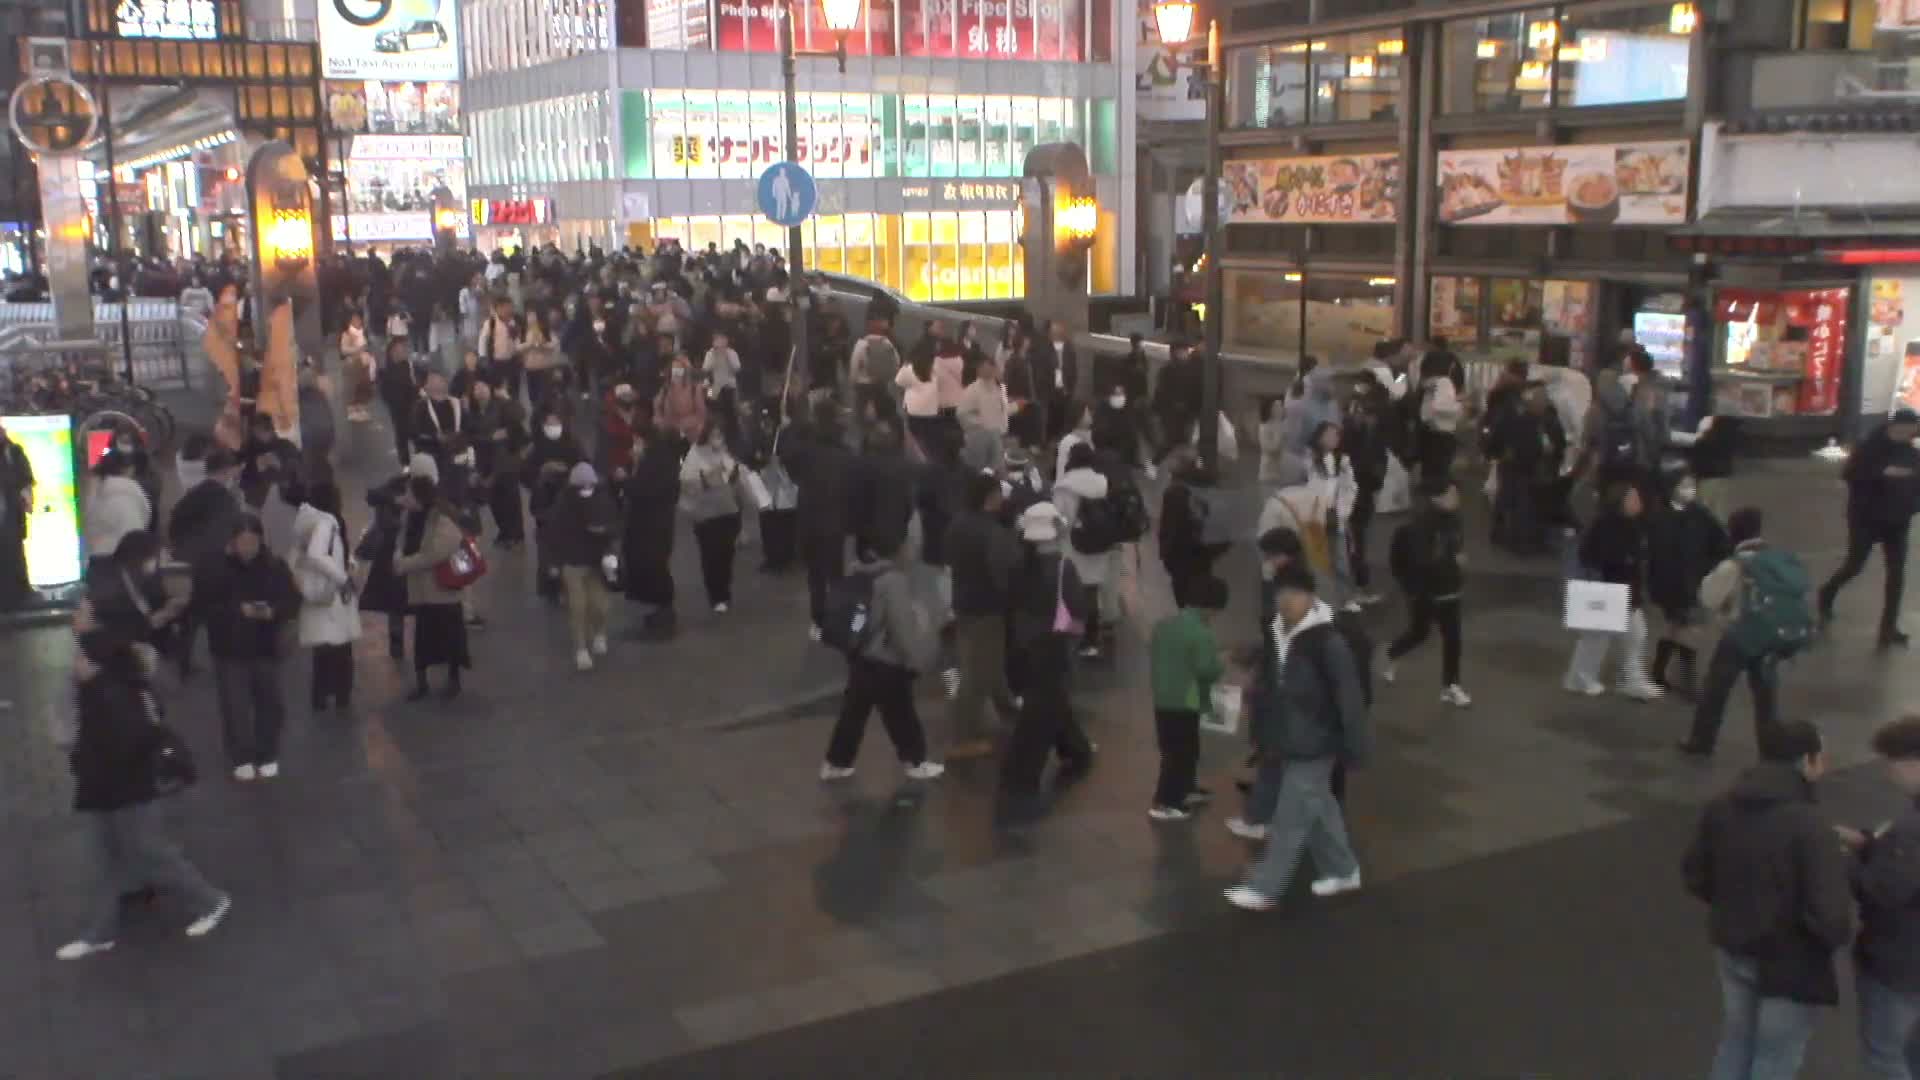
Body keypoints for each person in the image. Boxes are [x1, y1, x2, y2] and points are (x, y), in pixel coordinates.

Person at [1682, 720, 1853, 1080]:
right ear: (1807, 762)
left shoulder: (1721, 807)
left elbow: (1696, 875)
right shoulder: (1810, 826)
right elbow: (1832, 916)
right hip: (1789, 962)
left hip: (1732, 945)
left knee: (1736, 1040)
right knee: (1775, 1057)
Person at [56, 616, 231, 960]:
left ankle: (211, 900)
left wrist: (91, 762)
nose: (75, 664)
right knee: (109, 860)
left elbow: (130, 744)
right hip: (101, 789)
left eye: (82, 659)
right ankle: (100, 932)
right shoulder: (93, 693)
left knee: (151, 854)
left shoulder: (120, 696)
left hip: (128, 790)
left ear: (99, 663)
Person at [1224, 565, 1369, 911]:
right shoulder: (1277, 634)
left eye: (1295, 593)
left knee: (1289, 818)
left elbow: (1350, 698)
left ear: (1311, 595)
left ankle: (1264, 888)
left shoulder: (1329, 642)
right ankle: (1343, 869)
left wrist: (1355, 747)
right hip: (1286, 738)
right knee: (1319, 809)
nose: (1286, 601)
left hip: (1317, 741)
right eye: (1281, 593)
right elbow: (1273, 685)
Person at [819, 533, 946, 783]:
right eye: (908, 545)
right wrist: (917, 659)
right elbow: (902, 627)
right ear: (897, 551)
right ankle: (916, 762)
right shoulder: (894, 582)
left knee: (853, 714)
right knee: (902, 714)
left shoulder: (861, 575)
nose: (913, 550)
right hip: (886, 659)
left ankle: (836, 763)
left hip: (861, 655)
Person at [1680, 508, 1803, 758]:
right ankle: (1770, 748)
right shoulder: (1778, 559)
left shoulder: (1734, 565)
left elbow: (1709, 598)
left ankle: (1702, 741)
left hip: (1740, 636)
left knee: (1716, 689)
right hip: (1771, 634)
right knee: (1766, 696)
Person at [998, 503, 1095, 819]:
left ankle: (1075, 748)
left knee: (1048, 703)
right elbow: (1078, 610)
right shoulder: (1063, 567)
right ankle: (1020, 781)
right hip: (1053, 647)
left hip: (1021, 647)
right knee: (1039, 718)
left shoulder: (1016, 565)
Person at [191, 514, 298, 781]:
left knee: (270, 702)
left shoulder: (274, 566)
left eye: (253, 542)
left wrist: (272, 612)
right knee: (235, 704)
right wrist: (239, 611)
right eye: (243, 542)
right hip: (229, 648)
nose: (248, 548)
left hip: (264, 645)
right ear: (232, 541)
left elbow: (291, 601)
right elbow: (204, 606)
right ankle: (241, 755)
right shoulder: (214, 568)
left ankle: (267, 751)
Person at [1844, 715, 1920, 1080]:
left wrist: (1848, 862)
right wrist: (1872, 844)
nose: (1888, 774)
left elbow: (1882, 890)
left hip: (1899, 962)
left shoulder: (1912, 831)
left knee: (1883, 1056)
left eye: (1892, 763)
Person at [1820, 408, 1920, 649]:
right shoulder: (1871, 446)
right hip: (1866, 518)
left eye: (1912, 430)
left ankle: (1888, 628)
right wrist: (1883, 473)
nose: (1907, 434)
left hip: (1897, 520)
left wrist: (1912, 506)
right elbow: (1850, 474)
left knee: (1896, 574)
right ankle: (1827, 593)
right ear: (1893, 426)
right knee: (1855, 565)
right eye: (1903, 429)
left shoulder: (1912, 454)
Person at [944, 471, 1023, 759]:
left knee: (989, 662)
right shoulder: (992, 532)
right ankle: (961, 739)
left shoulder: (958, 523)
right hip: (987, 609)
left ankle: (1008, 710)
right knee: (976, 676)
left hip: (964, 604)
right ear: (991, 498)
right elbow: (1007, 573)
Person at [1564, 481, 1661, 700]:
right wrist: (1627, 558)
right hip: (1608, 592)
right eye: (1632, 498)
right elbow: (1593, 555)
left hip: (1625, 594)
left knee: (1634, 634)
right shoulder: (1606, 525)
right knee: (1597, 637)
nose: (1638, 502)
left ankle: (1628, 677)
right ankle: (1581, 678)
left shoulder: (1633, 525)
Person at [1148, 575, 1228, 821]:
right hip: (1186, 701)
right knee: (1180, 754)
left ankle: (1186, 788)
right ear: (1210, 607)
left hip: (1163, 699)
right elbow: (1207, 670)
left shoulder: (1163, 625)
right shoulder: (1201, 633)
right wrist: (1221, 662)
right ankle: (1165, 802)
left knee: (1181, 749)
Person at [1385, 481, 1470, 707]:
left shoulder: (1455, 521)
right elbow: (1414, 561)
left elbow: (1455, 547)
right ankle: (1393, 653)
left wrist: (1458, 559)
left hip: (1451, 590)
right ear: (1436, 498)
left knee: (1453, 638)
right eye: (1451, 493)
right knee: (1419, 633)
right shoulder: (1417, 528)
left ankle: (1451, 686)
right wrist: (1412, 589)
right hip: (1427, 592)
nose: (1457, 498)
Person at [1647, 471, 1732, 698]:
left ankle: (1662, 671)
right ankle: (1684, 679)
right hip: (1669, 584)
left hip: (1693, 582)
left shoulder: (1701, 515)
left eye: (1692, 485)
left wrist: (1707, 567)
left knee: (1683, 629)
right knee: (1683, 629)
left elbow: (1722, 542)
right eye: (1684, 485)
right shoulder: (1659, 518)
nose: (1690, 490)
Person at [391, 471, 470, 700]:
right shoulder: (411, 516)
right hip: (423, 591)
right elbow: (403, 541)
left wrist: (403, 564)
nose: (405, 496)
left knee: (450, 637)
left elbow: (434, 554)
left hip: (443, 591)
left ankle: (453, 679)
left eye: (409, 493)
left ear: (419, 496)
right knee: (424, 640)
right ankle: (422, 682)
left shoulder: (441, 519)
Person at [166, 448, 245, 677]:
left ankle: (184, 661)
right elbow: (232, 532)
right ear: (225, 471)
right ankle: (221, 662)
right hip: (216, 564)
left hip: (192, 564)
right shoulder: (226, 500)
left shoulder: (195, 493)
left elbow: (175, 523)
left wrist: (182, 548)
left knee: (191, 615)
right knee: (217, 615)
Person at [787, 399, 855, 640]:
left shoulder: (804, 451)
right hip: (835, 522)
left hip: (809, 520)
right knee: (836, 575)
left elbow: (790, 466)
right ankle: (838, 620)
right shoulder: (845, 453)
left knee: (815, 576)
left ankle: (817, 621)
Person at [293, 479, 359, 711]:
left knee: (323, 653)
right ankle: (340, 695)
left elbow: (335, 552)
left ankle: (321, 696)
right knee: (340, 651)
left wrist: (349, 563)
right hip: (331, 593)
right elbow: (319, 555)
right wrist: (344, 577)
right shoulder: (327, 523)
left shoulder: (308, 522)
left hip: (317, 593)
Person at [545, 462, 616, 671]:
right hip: (572, 562)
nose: (586, 488)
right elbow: (553, 535)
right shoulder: (563, 505)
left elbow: (615, 525)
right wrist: (554, 562)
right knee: (578, 607)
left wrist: (604, 532)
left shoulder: (603, 500)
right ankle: (581, 649)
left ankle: (599, 632)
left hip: (596, 562)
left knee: (600, 606)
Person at [1052, 441, 1113, 660]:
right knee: (1092, 593)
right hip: (1099, 545)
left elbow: (1059, 521)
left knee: (1071, 593)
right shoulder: (1102, 482)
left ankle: (1074, 637)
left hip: (1073, 546)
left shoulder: (1064, 487)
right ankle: (1091, 641)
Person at [680, 420, 745, 613]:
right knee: (710, 556)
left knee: (726, 555)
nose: (718, 439)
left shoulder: (725, 454)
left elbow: (735, 480)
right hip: (706, 516)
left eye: (720, 435)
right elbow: (686, 481)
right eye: (714, 435)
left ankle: (724, 593)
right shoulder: (695, 455)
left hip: (727, 512)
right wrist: (706, 480)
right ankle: (716, 595)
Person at [623, 423, 680, 640]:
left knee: (656, 566)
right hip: (652, 524)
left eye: (637, 441)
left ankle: (665, 612)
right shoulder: (656, 460)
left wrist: (626, 482)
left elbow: (644, 490)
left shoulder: (658, 462)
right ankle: (659, 609)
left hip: (654, 525)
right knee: (653, 565)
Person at [525, 408, 583, 604]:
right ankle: (551, 587)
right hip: (544, 505)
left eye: (555, 423)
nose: (552, 428)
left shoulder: (573, 445)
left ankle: (567, 585)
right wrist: (541, 473)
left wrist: (565, 470)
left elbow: (583, 468)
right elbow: (525, 474)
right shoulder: (535, 448)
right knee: (547, 550)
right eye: (548, 424)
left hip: (568, 503)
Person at [1159, 449, 1228, 609]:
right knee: (1199, 596)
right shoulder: (1210, 485)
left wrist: (1165, 554)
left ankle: (1189, 626)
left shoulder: (1175, 492)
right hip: (1204, 554)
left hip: (1181, 555)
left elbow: (1170, 528)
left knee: (1183, 599)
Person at [1304, 421, 1360, 610]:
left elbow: (1350, 487)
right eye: (1330, 434)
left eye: (1336, 435)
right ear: (1319, 436)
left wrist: (1344, 509)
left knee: (1341, 560)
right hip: (1314, 517)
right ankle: (1319, 601)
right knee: (1316, 562)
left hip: (1336, 516)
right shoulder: (1309, 459)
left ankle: (1346, 598)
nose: (1334, 438)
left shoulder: (1342, 460)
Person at [84, 452, 152, 577]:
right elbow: (138, 526)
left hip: (96, 558)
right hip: (126, 561)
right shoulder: (131, 494)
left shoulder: (94, 491)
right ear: (128, 469)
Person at [0, 418, 29, 611]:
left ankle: (18, 592)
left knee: (13, 549)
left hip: (11, 509)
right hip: (8, 507)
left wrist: (26, 498)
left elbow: (26, 479)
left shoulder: (14, 451)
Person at [341, 311, 375, 422]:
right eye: (354, 319)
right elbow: (344, 350)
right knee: (352, 388)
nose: (357, 321)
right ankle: (352, 411)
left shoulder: (364, 333)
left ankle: (361, 409)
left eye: (359, 319)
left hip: (364, 364)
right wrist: (357, 350)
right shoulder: (347, 334)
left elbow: (368, 346)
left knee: (363, 387)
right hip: (352, 365)